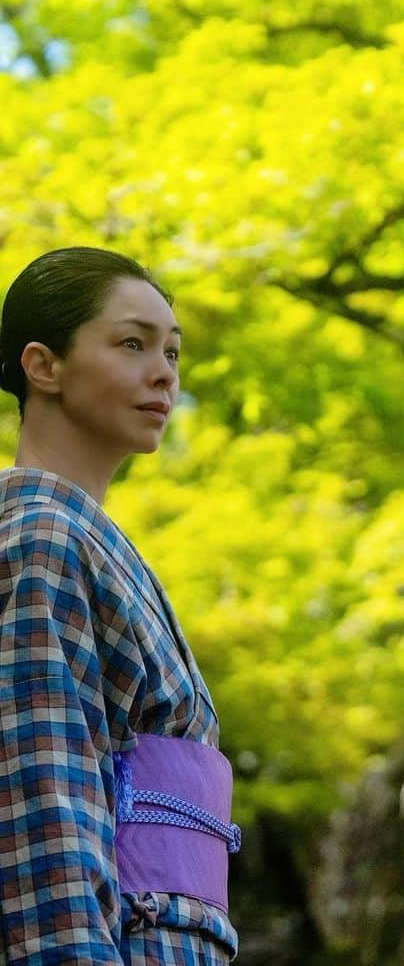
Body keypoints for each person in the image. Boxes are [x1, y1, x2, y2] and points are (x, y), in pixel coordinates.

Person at [0, 247, 239, 965]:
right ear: (43, 366)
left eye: (171, 351)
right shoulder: (40, 536)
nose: (164, 372)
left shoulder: (82, 538)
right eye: (132, 344)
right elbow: (43, 801)